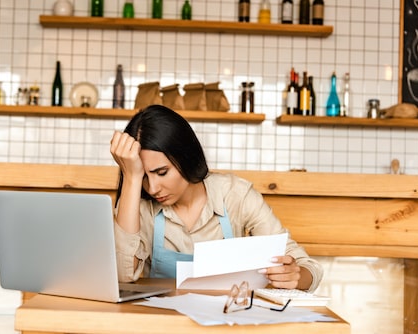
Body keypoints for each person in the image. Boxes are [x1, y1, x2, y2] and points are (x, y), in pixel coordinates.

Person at [110, 104, 323, 292]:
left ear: (185, 156)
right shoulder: (138, 204)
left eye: (162, 172)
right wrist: (131, 178)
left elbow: (306, 265)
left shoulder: (235, 195)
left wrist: (296, 275)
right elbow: (122, 277)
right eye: (143, 176)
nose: (153, 188)